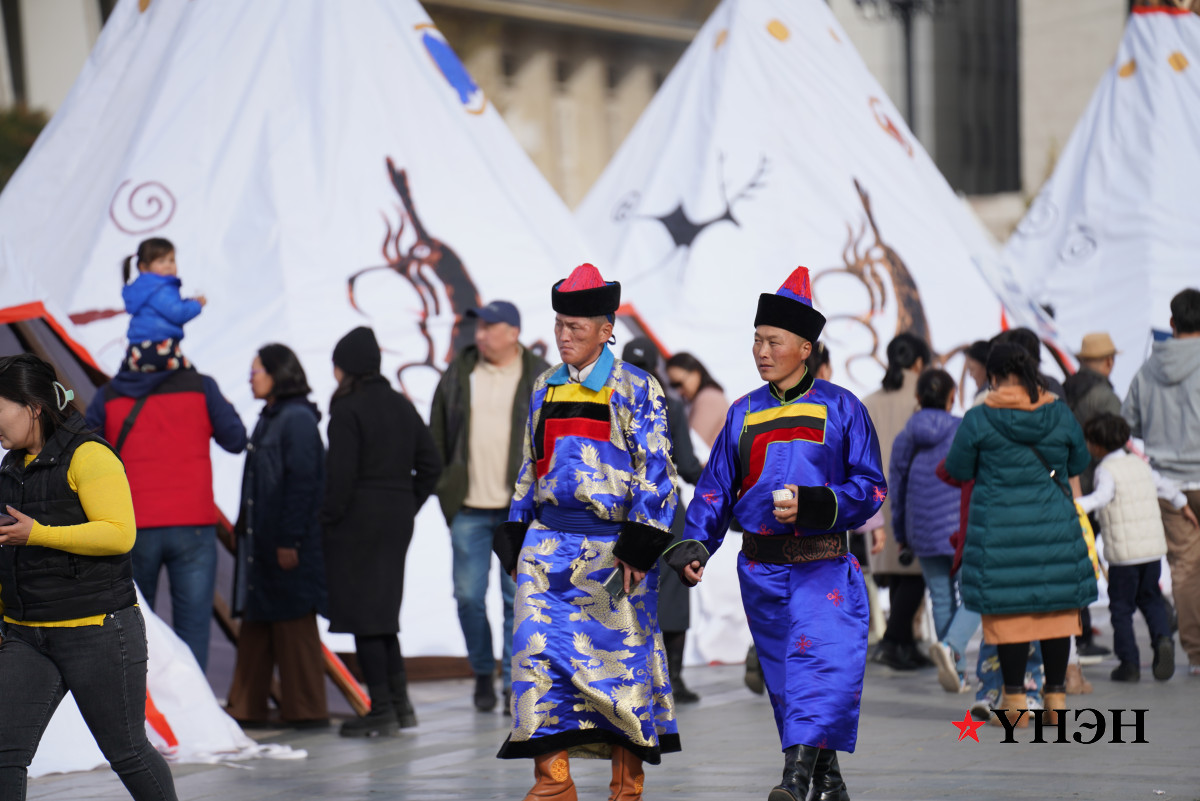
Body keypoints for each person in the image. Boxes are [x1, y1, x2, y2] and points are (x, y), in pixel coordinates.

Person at [666, 265, 885, 801]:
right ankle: (829, 783)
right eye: (757, 341)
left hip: (822, 563)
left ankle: (793, 782)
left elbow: (871, 488)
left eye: (774, 341)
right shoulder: (741, 414)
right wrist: (696, 543)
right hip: (760, 567)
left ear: (805, 347)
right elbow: (715, 490)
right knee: (789, 684)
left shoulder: (842, 408)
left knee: (817, 666)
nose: (762, 351)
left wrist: (817, 503)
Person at [492, 263, 680, 801]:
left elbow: (657, 471)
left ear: (606, 328)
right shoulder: (542, 387)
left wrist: (642, 544)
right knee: (535, 664)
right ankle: (554, 788)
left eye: (577, 326)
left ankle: (625, 791)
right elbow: (531, 464)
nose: (565, 335)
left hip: (613, 553)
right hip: (544, 551)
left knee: (620, 675)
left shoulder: (636, 387)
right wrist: (514, 529)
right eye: (559, 325)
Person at [0, 354, 179, 800]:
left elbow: (120, 535)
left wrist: (38, 534)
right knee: (4, 751)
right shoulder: (10, 468)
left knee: (128, 751)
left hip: (97, 630)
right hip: (26, 634)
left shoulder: (90, 455)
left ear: (32, 406)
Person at [945, 342, 1097, 729]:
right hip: (1054, 529)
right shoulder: (1059, 413)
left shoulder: (979, 417)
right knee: (1057, 616)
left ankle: (1014, 703)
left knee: (1010, 615)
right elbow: (1080, 461)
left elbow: (958, 468)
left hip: (1000, 534)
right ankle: (1055, 701)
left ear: (993, 376)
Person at [85, 335, 247, 673]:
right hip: (193, 526)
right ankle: (196, 716)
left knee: (131, 625)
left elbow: (86, 453)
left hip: (133, 528)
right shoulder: (203, 388)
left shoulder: (110, 395)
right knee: (193, 629)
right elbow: (235, 439)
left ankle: (143, 708)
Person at [321, 327, 442, 737]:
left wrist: (327, 519)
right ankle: (399, 704)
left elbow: (339, 476)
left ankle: (383, 710)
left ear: (346, 367)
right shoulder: (400, 405)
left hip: (359, 520)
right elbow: (431, 465)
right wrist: (407, 503)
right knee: (382, 613)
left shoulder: (348, 409)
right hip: (395, 519)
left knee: (365, 615)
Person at [430, 299, 547, 713]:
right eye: (478, 327)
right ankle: (483, 672)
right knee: (467, 595)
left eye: (489, 327)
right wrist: (446, 490)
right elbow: (438, 437)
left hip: (519, 511)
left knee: (516, 597)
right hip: (468, 507)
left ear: (512, 332)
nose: (479, 335)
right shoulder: (460, 373)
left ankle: (512, 680)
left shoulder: (539, 375)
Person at [226, 345, 329, 728]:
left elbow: (304, 484)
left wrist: (290, 539)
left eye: (256, 371)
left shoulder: (297, 419)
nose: (251, 378)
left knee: (293, 621)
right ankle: (246, 706)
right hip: (261, 540)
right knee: (258, 621)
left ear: (277, 373)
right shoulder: (269, 417)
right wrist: (242, 527)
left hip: (284, 541)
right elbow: (256, 480)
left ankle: (307, 709)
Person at [1078, 414, 1193, 683]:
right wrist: (1182, 504)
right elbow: (1166, 487)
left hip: (1125, 556)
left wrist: (1078, 505)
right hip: (1152, 551)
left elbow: (1103, 497)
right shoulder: (1140, 466)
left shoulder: (1106, 470)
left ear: (1097, 444)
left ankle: (1128, 663)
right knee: (1151, 599)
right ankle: (1162, 639)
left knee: (1121, 608)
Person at [1123, 287, 1200, 678]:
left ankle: (1197, 654)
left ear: (1172, 323)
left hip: (1168, 483)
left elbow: (1128, 424)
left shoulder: (1148, 369)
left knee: (1184, 569)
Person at [623, 336, 705, 703]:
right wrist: (719, 489)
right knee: (675, 586)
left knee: (621, 589)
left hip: (623, 513)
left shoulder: (611, 405)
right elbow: (687, 466)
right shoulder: (670, 406)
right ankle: (673, 677)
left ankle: (628, 673)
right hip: (667, 510)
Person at [889, 369, 969, 675]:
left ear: (918, 398)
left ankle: (955, 671)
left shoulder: (906, 435)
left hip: (921, 530)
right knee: (973, 593)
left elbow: (896, 488)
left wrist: (901, 533)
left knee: (941, 596)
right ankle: (952, 650)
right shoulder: (963, 430)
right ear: (952, 397)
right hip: (962, 529)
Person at [863, 332, 932, 671]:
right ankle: (895, 640)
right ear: (919, 361)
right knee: (917, 571)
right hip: (915, 494)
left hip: (876, 496)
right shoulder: (925, 395)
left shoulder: (869, 400)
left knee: (899, 571)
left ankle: (904, 643)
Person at [1063, 331, 1123, 661]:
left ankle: (1079, 629)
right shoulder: (1103, 395)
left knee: (1078, 557)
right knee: (1097, 559)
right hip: (1098, 486)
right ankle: (1083, 634)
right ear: (1109, 362)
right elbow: (1118, 437)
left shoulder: (1067, 388)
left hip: (1071, 484)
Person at [120, 238, 206, 374]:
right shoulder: (159, 287)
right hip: (160, 346)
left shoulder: (143, 288)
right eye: (161, 261)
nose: (168, 265)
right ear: (143, 267)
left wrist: (187, 302)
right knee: (191, 377)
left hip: (135, 349)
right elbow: (178, 313)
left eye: (171, 260)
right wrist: (197, 304)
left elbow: (167, 308)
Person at [665, 352, 728, 449]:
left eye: (679, 383)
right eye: (674, 386)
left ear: (695, 373)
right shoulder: (708, 396)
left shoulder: (708, 398)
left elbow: (692, 448)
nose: (679, 391)